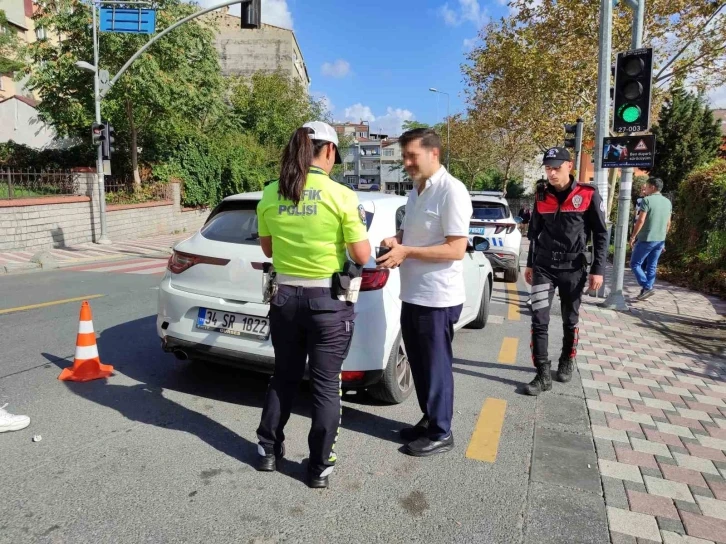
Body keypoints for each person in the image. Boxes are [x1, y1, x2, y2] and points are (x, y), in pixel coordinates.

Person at [255, 121, 371, 489]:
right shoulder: (341, 195)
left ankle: (268, 451)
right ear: (330, 151)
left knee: (283, 376)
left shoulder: (272, 192)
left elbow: (268, 249)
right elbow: (362, 255)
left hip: (284, 299)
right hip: (328, 304)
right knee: (324, 386)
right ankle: (319, 466)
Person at [376, 128, 473, 456]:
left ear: (434, 153)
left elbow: (456, 249)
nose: (405, 162)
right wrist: (396, 239)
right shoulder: (417, 190)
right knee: (418, 363)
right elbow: (414, 232)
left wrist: (407, 253)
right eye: (404, 156)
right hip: (414, 292)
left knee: (435, 365)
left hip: (438, 296)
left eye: (411, 156)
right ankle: (431, 418)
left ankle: (442, 432)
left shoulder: (452, 191)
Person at [524, 147, 608, 396]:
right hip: (544, 267)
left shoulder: (588, 194)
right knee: (539, 320)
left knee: (569, 321)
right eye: (548, 168)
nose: (551, 173)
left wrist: (598, 270)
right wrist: (529, 263)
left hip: (574, 268)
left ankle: (565, 360)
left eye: (556, 168)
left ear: (569, 167)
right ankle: (541, 373)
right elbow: (534, 233)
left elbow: (601, 234)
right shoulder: (541, 195)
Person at [630, 177, 672, 301]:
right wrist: (663, 239)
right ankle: (646, 290)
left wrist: (633, 236)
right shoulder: (667, 202)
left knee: (635, 263)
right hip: (660, 239)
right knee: (651, 266)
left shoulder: (647, 200)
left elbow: (641, 220)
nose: (645, 189)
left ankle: (647, 287)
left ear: (653, 187)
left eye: (647, 186)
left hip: (647, 238)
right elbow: (668, 223)